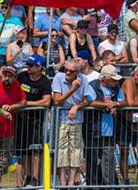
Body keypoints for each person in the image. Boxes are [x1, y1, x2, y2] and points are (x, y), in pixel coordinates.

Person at [52, 59, 94, 188]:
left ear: (78, 72)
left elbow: (87, 101)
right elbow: (57, 101)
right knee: (62, 152)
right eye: (66, 70)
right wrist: (73, 89)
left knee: (75, 152)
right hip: (61, 121)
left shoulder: (83, 79)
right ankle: (62, 183)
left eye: (71, 71)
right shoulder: (58, 77)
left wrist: (76, 106)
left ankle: (71, 183)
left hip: (77, 121)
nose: (68, 73)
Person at [14, 54, 51, 187]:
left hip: (36, 120)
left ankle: (35, 177)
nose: (27, 67)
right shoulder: (22, 77)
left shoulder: (45, 82)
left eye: (30, 65)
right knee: (24, 151)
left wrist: (26, 104)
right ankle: (28, 176)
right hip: (20, 120)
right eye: (27, 64)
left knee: (36, 149)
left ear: (39, 67)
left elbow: (46, 101)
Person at [86, 65, 125, 188]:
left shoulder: (116, 87)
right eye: (113, 79)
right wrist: (107, 106)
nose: (116, 81)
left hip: (109, 132)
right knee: (91, 162)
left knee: (108, 162)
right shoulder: (92, 85)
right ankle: (92, 186)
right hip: (93, 130)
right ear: (105, 78)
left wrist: (116, 104)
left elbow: (124, 101)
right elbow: (90, 102)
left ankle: (109, 186)